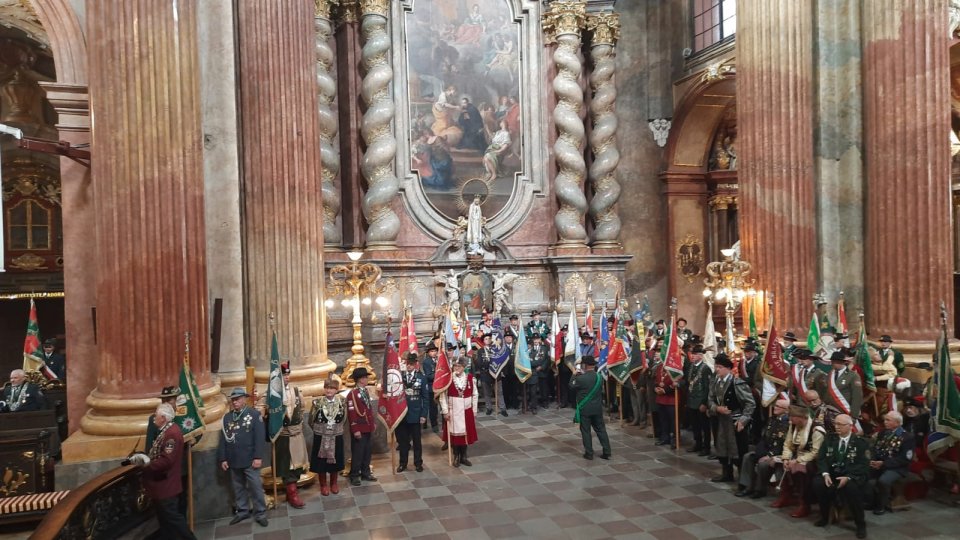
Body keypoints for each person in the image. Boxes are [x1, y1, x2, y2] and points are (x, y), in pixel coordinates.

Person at [128, 403, 196, 540]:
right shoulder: (167, 431)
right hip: (162, 486)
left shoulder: (171, 434)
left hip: (166, 486)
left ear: (163, 418)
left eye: (156, 416)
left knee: (174, 520)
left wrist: (146, 463)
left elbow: (166, 461)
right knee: (166, 522)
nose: (154, 419)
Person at [217, 387, 268, 527]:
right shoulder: (227, 417)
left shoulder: (254, 415)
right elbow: (223, 439)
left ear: (244, 399)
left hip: (250, 460)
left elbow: (259, 438)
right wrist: (223, 458)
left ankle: (261, 513)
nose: (235, 402)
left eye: (238, 399)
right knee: (238, 487)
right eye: (233, 400)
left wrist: (258, 457)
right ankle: (243, 511)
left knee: (256, 487)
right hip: (233, 459)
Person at [814, 414, 869, 538]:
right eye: (835, 424)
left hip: (852, 475)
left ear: (850, 426)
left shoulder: (861, 443)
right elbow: (821, 458)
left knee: (852, 488)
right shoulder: (829, 438)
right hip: (832, 473)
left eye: (840, 424)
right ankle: (824, 516)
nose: (836, 427)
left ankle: (860, 524)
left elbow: (864, 464)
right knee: (818, 483)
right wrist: (825, 473)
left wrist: (849, 477)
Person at [772, 405, 826, 518]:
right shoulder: (793, 426)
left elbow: (815, 452)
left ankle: (804, 504)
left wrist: (797, 460)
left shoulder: (817, 430)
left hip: (812, 460)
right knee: (780, 463)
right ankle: (785, 496)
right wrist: (786, 458)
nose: (790, 419)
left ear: (801, 417)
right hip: (796, 456)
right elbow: (788, 444)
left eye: (792, 417)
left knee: (800, 470)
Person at [708, 353, 756, 482]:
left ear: (728, 368)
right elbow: (710, 400)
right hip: (720, 421)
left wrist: (744, 420)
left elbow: (750, 403)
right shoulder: (714, 382)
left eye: (720, 367)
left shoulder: (737, 383)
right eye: (716, 366)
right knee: (722, 447)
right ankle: (726, 473)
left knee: (739, 450)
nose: (717, 369)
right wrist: (717, 408)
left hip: (735, 421)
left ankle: (743, 480)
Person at [736, 399, 790, 499]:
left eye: (779, 406)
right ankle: (747, 486)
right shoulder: (772, 419)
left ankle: (760, 490)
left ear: (786, 410)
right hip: (766, 450)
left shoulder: (787, 423)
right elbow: (764, 438)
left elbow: (781, 444)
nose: (775, 407)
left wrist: (769, 455)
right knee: (748, 457)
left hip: (779, 454)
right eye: (775, 405)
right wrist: (759, 452)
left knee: (763, 464)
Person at [272, 362, 308, 509]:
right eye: (283, 375)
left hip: (296, 434)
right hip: (283, 436)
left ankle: (290, 491)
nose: (287, 377)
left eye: (287, 374)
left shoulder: (296, 391)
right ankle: (292, 493)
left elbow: (303, 407)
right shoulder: (273, 395)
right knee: (287, 467)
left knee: (297, 465)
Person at [867, 410, 915, 515]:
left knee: (883, 481)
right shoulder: (883, 433)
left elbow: (904, 459)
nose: (885, 422)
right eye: (885, 420)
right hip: (880, 464)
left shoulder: (907, 437)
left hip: (898, 468)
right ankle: (870, 502)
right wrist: (873, 460)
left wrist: (884, 464)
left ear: (897, 423)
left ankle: (881, 505)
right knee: (863, 474)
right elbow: (876, 449)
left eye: (888, 420)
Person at [309, 376, 346, 497]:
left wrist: (336, 428)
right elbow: (311, 420)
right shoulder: (317, 402)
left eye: (332, 388)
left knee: (336, 459)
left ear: (336, 390)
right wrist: (321, 430)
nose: (329, 391)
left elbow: (344, 418)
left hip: (336, 435)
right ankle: (323, 484)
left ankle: (334, 483)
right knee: (321, 462)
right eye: (327, 388)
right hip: (321, 436)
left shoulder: (341, 402)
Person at [570, 356, 611, 460]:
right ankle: (607, 451)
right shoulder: (599, 377)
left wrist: (574, 375)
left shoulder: (580, 378)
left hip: (585, 409)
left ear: (584, 365)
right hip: (597, 408)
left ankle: (589, 453)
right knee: (601, 430)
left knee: (586, 431)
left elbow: (571, 386)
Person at [441, 359, 479, 467]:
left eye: (459, 366)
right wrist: (445, 411)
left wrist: (474, 410)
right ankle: (456, 456)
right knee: (455, 435)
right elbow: (443, 396)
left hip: (466, 410)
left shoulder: (470, 378)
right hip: (453, 410)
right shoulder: (448, 378)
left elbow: (475, 394)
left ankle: (464, 456)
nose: (456, 368)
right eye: (455, 366)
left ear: (464, 367)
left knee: (465, 434)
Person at [397, 354, 429, 472]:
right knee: (403, 442)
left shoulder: (421, 378)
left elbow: (425, 398)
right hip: (402, 415)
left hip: (415, 414)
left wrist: (423, 415)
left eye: (411, 364)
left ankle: (418, 463)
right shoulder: (400, 377)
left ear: (415, 364)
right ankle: (403, 463)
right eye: (407, 364)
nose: (409, 366)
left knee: (417, 441)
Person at [346, 367, 377, 486]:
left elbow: (368, 409)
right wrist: (355, 429)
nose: (367, 379)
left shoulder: (365, 391)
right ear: (360, 379)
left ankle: (365, 472)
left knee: (367, 451)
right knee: (358, 453)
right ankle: (354, 474)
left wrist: (372, 422)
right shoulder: (353, 394)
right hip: (359, 427)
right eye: (365, 377)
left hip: (367, 426)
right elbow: (352, 413)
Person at [683, 344, 713, 455]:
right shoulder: (691, 366)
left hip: (701, 401)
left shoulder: (706, 369)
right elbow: (688, 382)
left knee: (704, 426)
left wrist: (704, 403)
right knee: (695, 425)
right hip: (692, 400)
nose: (693, 356)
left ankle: (706, 447)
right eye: (692, 354)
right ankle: (698, 444)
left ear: (700, 356)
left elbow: (707, 387)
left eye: (695, 354)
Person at [823, 351, 863, 428]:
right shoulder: (830, 374)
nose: (833, 363)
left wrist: (854, 416)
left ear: (842, 362)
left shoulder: (853, 376)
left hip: (844, 410)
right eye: (832, 361)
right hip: (830, 411)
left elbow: (857, 397)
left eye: (835, 361)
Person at [653, 347, 677, 447]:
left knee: (673, 421)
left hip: (671, 398)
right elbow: (656, 380)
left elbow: (677, 382)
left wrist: (665, 390)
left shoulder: (674, 368)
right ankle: (665, 437)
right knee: (663, 420)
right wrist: (656, 388)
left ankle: (674, 439)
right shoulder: (659, 367)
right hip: (660, 398)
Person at [421, 343, 440, 432]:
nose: (434, 353)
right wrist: (439, 374)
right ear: (428, 353)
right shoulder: (426, 362)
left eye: (435, 351)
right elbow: (429, 375)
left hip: (440, 385)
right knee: (432, 407)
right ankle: (434, 424)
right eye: (432, 351)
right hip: (431, 386)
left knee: (441, 406)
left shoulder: (439, 359)